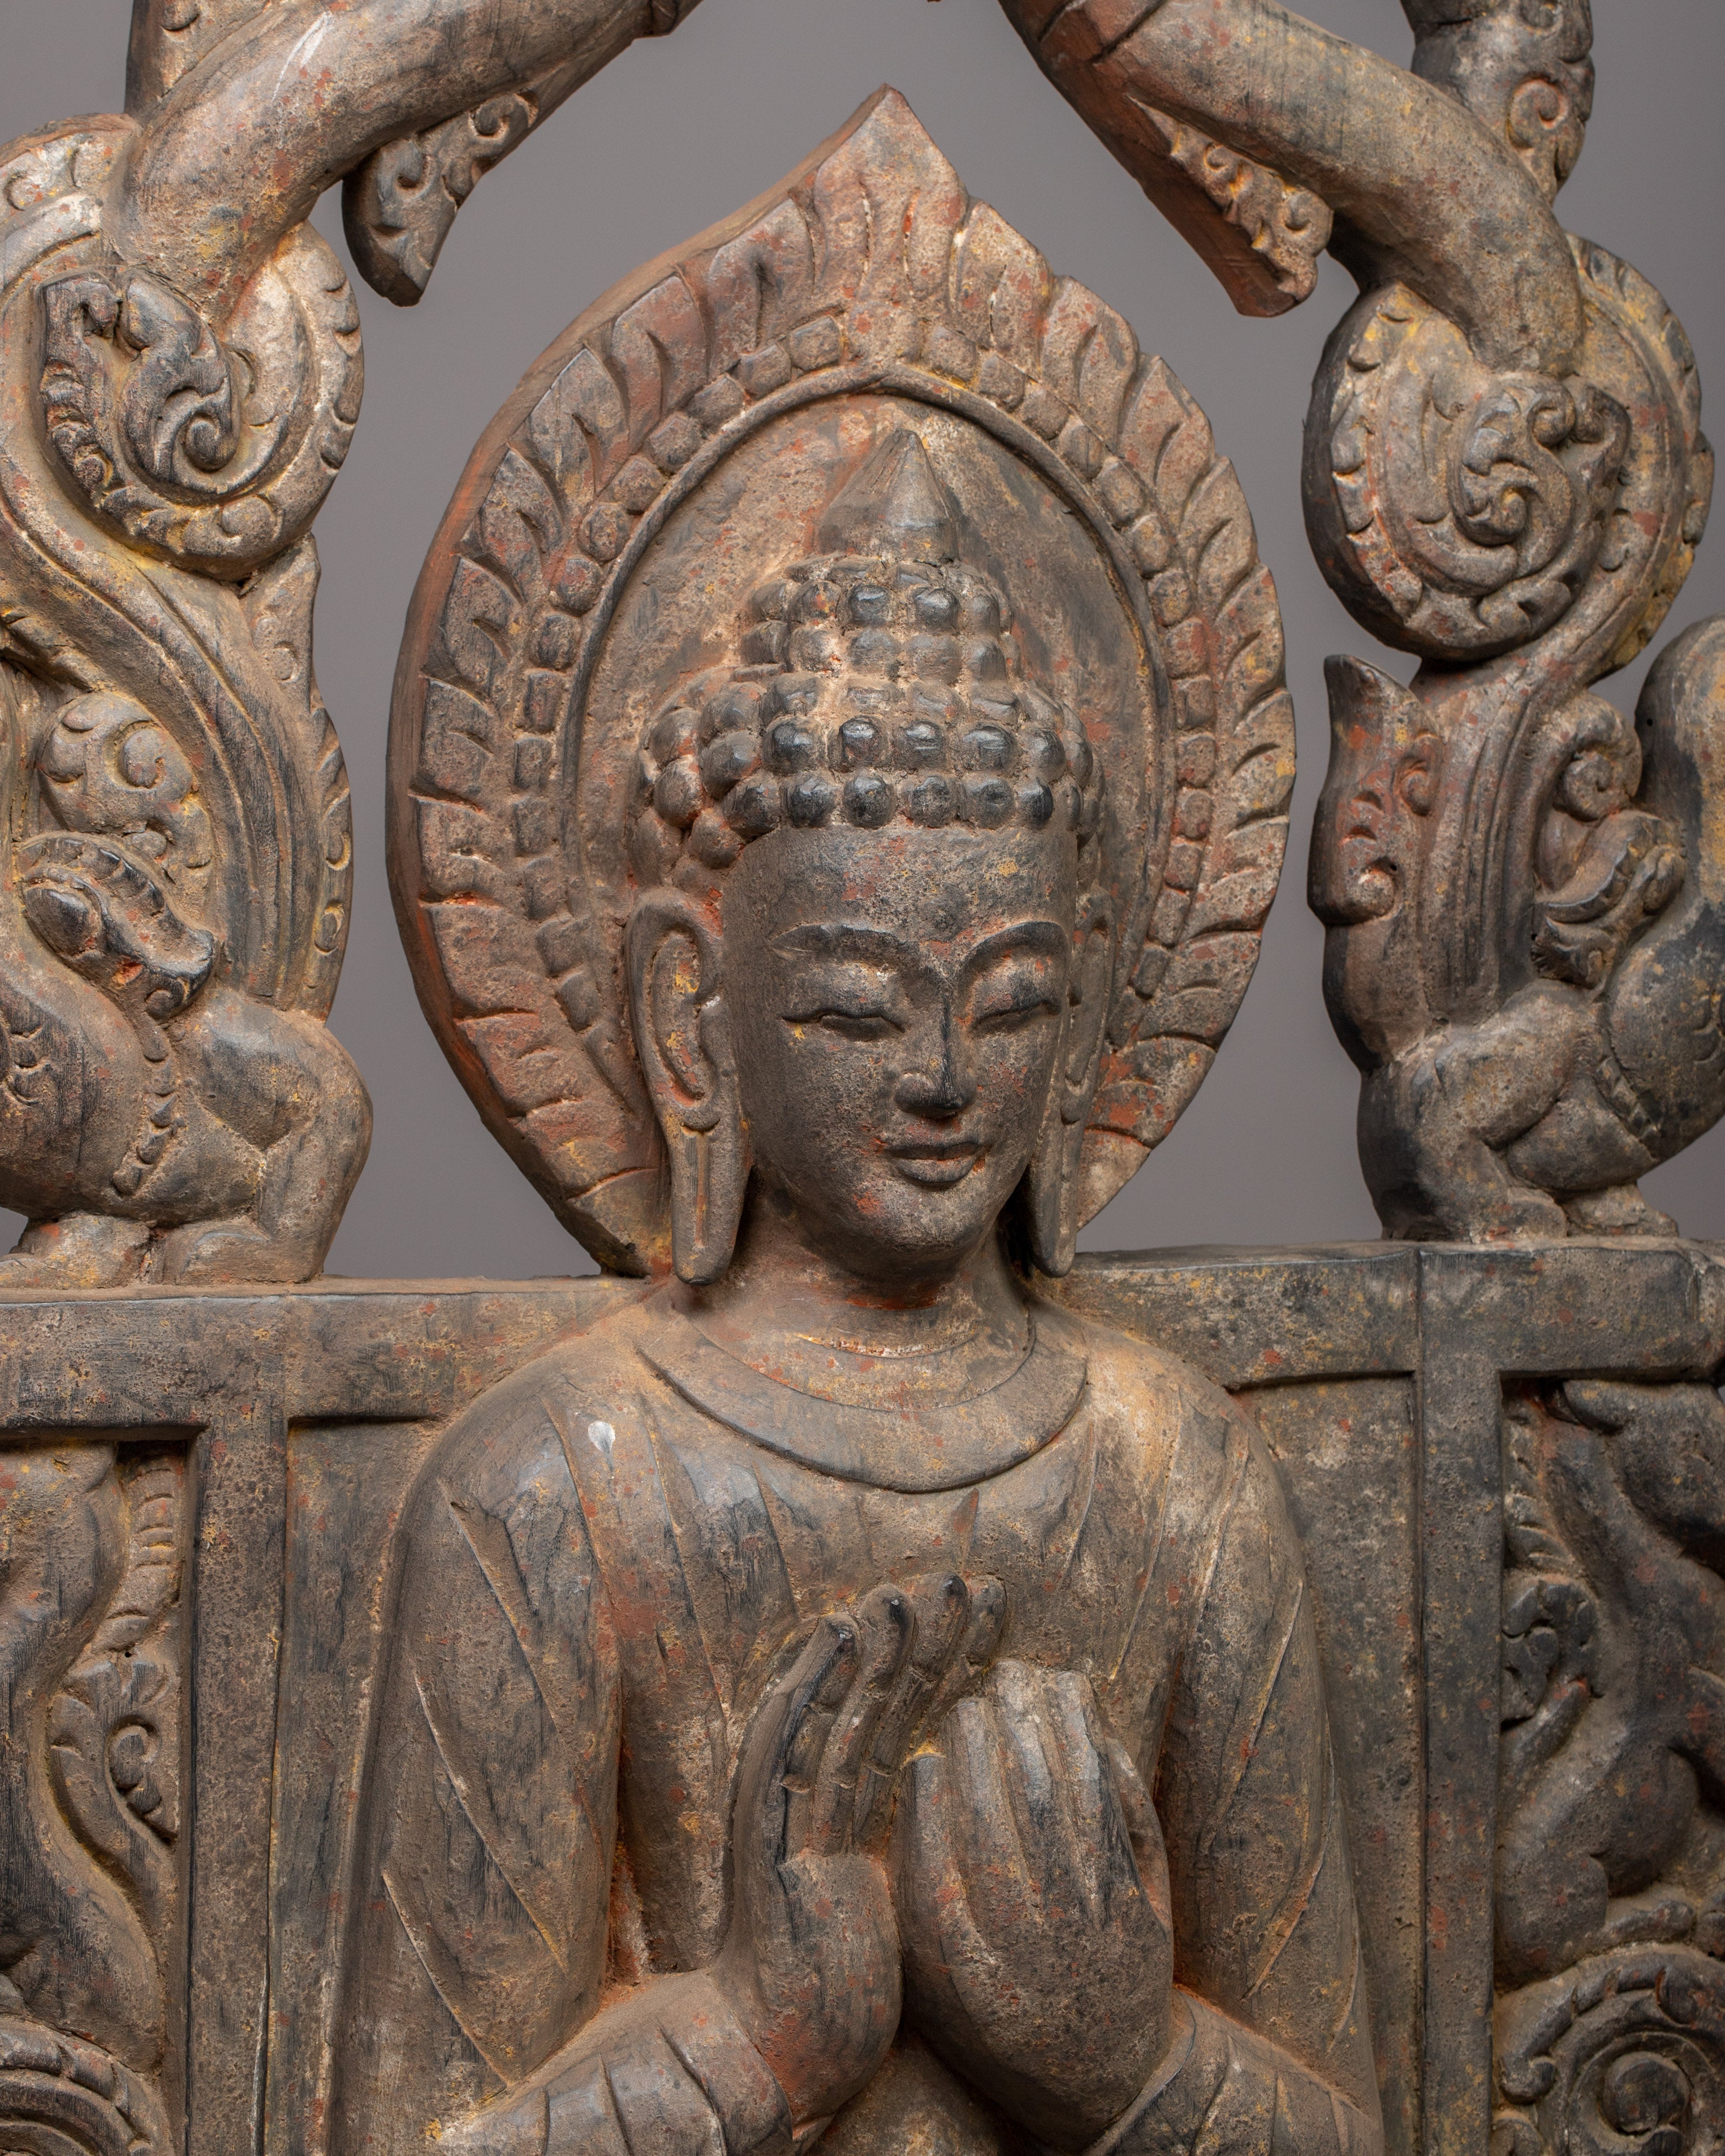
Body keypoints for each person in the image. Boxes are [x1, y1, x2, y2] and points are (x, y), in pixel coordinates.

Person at [334, 434, 1384, 2156]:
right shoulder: (554, 1486)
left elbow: (1358, 2121)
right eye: (852, 1005)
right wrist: (755, 2044)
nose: (943, 1077)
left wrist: (1121, 2063)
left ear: (1086, 1013)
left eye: (1011, 1000)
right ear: (693, 1018)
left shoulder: (1175, 1474)